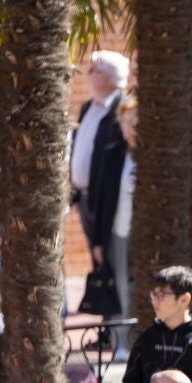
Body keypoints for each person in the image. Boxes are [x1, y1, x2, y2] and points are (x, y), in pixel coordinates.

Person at [69, 52, 128, 276]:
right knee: (97, 259)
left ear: (107, 78)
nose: (88, 74)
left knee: (108, 255)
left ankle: (116, 311)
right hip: (83, 197)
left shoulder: (120, 110)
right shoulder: (87, 107)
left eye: (94, 70)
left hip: (105, 198)